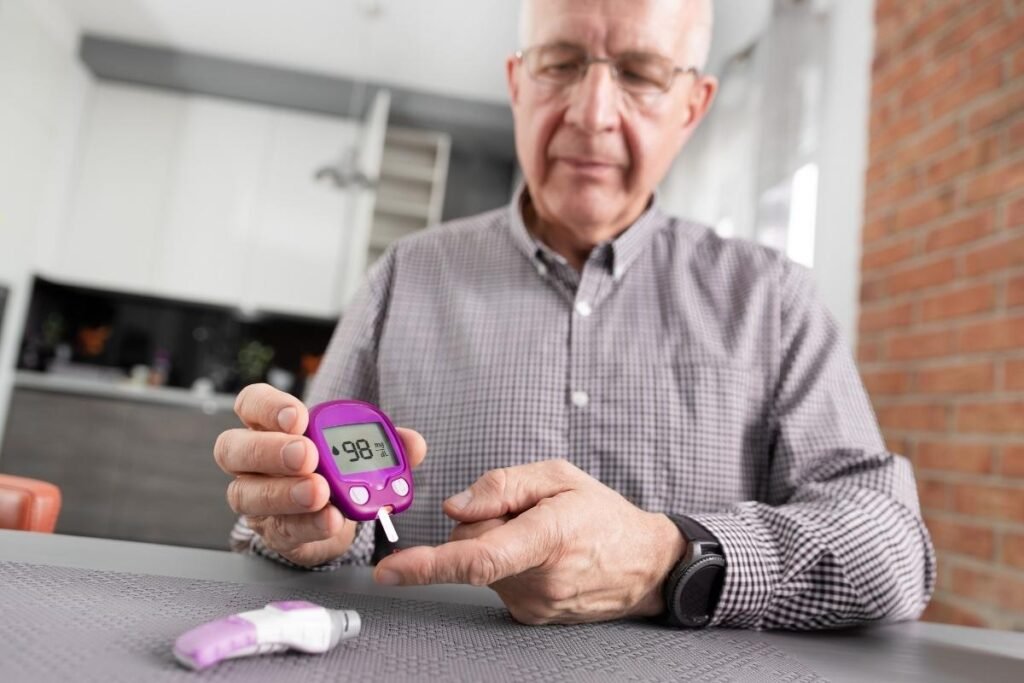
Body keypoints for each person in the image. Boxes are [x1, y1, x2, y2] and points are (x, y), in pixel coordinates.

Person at [214, 0, 935, 629]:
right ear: (516, 82)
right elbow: (304, 523)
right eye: (560, 63)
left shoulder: (774, 300)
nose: (592, 114)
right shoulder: (404, 277)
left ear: (693, 106)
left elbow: (894, 550)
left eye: (642, 73)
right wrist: (300, 530)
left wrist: (668, 558)